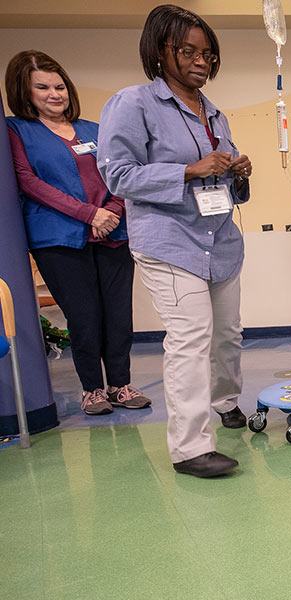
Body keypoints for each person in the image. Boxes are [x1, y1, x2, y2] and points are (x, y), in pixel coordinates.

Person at [97, 4, 253, 478]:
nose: (200, 61)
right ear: (160, 51)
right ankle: (190, 448)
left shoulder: (215, 115)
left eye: (208, 54)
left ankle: (225, 401)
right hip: (169, 242)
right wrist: (188, 170)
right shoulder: (133, 103)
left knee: (227, 335)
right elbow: (118, 174)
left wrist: (240, 174)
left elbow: (223, 183)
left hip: (219, 241)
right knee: (190, 338)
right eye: (188, 51)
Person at [5, 50, 150, 416]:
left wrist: (113, 211)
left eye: (59, 86)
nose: (55, 94)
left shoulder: (95, 130)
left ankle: (120, 384)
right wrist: (89, 214)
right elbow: (28, 182)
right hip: (59, 238)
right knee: (83, 316)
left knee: (118, 313)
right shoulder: (16, 130)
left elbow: (120, 172)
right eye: (43, 87)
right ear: (24, 91)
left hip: (113, 232)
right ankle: (92, 389)